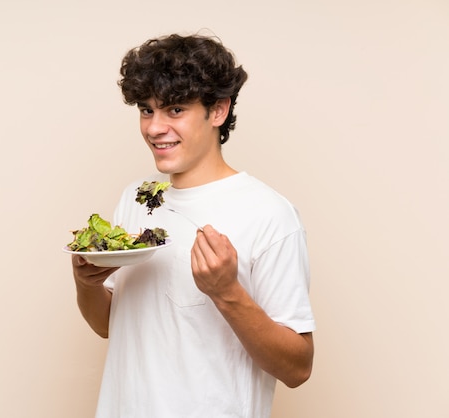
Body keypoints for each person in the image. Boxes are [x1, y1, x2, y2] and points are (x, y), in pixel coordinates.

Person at [70, 33, 315, 418]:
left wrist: (227, 293)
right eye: (146, 110)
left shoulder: (268, 213)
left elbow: (298, 368)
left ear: (217, 111)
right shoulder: (136, 199)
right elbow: (109, 325)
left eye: (175, 110)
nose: (154, 128)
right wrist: (87, 286)